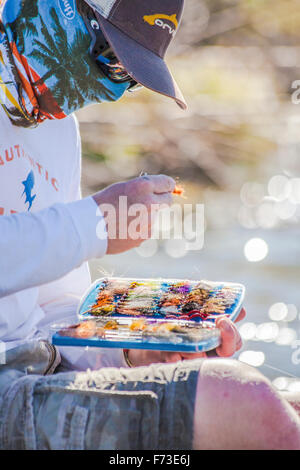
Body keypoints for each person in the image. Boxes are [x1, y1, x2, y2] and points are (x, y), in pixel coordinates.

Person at [0, 0, 299, 450]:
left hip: (35, 375)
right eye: (108, 58)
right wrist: (96, 222)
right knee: (244, 400)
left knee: (283, 406)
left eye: (127, 76)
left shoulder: (59, 131)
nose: (111, 90)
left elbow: (49, 315)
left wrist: (134, 348)